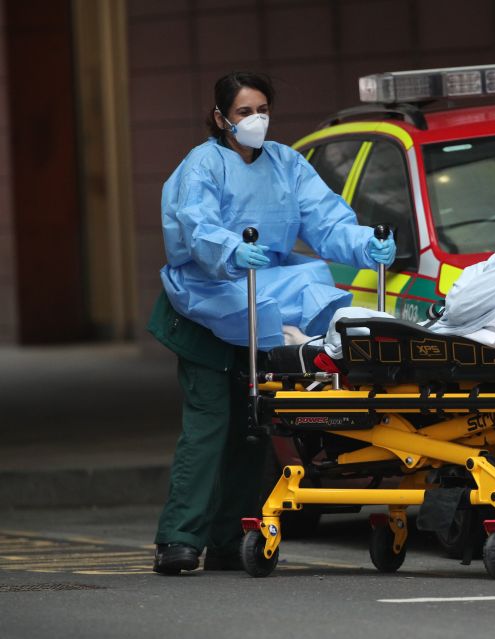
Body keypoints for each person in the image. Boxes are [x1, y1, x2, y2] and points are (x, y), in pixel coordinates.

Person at [150, 71, 396, 575]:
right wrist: (232, 250)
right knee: (209, 427)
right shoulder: (202, 166)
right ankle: (178, 539)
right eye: (244, 112)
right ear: (221, 119)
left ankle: (229, 538)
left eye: (262, 109)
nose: (255, 120)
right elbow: (195, 226)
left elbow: (327, 220)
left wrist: (364, 244)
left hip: (260, 306)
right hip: (207, 305)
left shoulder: (287, 164)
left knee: (251, 430)